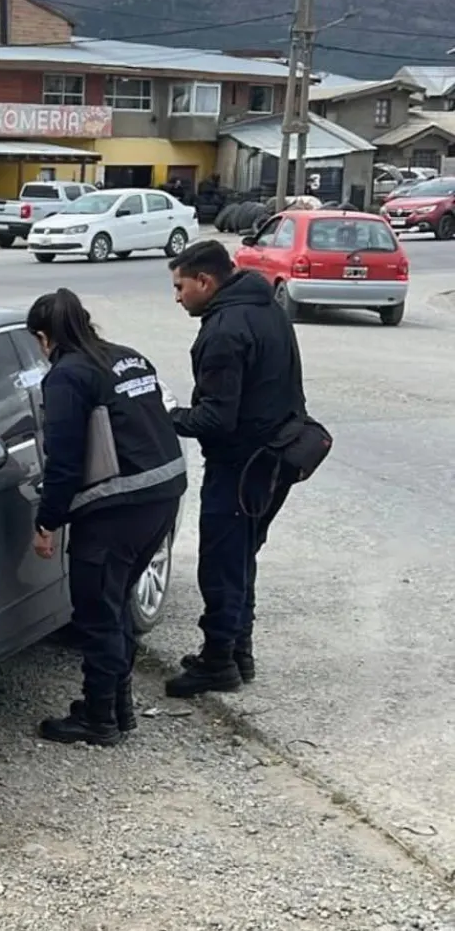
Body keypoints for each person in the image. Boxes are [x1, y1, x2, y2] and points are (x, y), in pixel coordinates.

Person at [28, 288, 187, 747]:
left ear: (44, 337)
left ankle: (99, 719)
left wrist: (47, 522)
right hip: (162, 495)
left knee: (97, 610)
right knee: (114, 603)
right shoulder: (128, 358)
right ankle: (117, 707)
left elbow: (63, 458)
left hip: (117, 507)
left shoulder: (67, 376)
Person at [165, 240, 304, 698]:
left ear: (205, 281)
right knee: (242, 556)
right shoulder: (268, 307)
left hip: (241, 464)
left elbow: (216, 419)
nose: (178, 296)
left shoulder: (225, 330)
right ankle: (237, 650)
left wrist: (165, 416)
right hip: (277, 456)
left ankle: (219, 660)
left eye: (180, 286)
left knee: (222, 562)